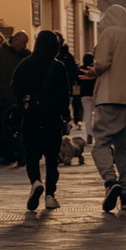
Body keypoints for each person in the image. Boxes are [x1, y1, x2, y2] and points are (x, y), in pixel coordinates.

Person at [8, 30, 78, 213]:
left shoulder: (25, 64)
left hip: (30, 118)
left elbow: (15, 89)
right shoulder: (58, 66)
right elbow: (65, 94)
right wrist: (65, 115)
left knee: (32, 155)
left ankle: (35, 182)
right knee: (51, 159)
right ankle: (50, 196)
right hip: (52, 119)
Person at [87, 3, 126, 213]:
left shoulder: (109, 34)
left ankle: (111, 181)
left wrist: (94, 71)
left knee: (100, 142)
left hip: (110, 96)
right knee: (125, 147)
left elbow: (102, 63)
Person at [0, 30, 30, 177]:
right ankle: (7, 155)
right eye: (20, 43)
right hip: (3, 98)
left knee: (21, 128)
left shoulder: (27, 55)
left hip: (19, 98)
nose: (22, 46)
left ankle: (21, 155)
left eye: (24, 44)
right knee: (4, 128)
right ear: (14, 40)